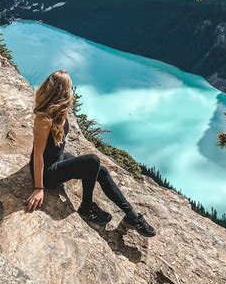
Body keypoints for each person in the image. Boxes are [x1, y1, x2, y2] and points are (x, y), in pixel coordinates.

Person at [25, 69, 156, 237]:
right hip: (48, 174)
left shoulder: (59, 110)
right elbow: (37, 154)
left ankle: (132, 215)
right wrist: (38, 188)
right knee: (92, 161)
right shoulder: (44, 118)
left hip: (57, 160)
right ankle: (86, 207)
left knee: (100, 169)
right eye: (69, 87)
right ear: (62, 91)